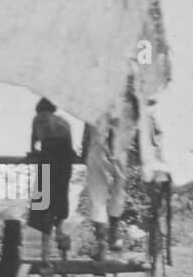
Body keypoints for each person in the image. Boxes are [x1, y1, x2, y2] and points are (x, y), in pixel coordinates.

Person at [82, 82, 139, 261]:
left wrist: (85, 154)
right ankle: (114, 236)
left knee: (97, 196)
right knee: (118, 193)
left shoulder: (92, 104)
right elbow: (136, 133)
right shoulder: (131, 104)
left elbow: (85, 137)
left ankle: (102, 245)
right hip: (119, 153)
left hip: (98, 151)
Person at [27, 97, 74, 265]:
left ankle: (45, 256)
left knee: (44, 203)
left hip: (49, 155)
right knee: (61, 196)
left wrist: (33, 153)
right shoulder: (64, 121)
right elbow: (70, 145)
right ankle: (60, 231)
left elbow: (34, 144)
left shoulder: (39, 118)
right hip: (66, 157)